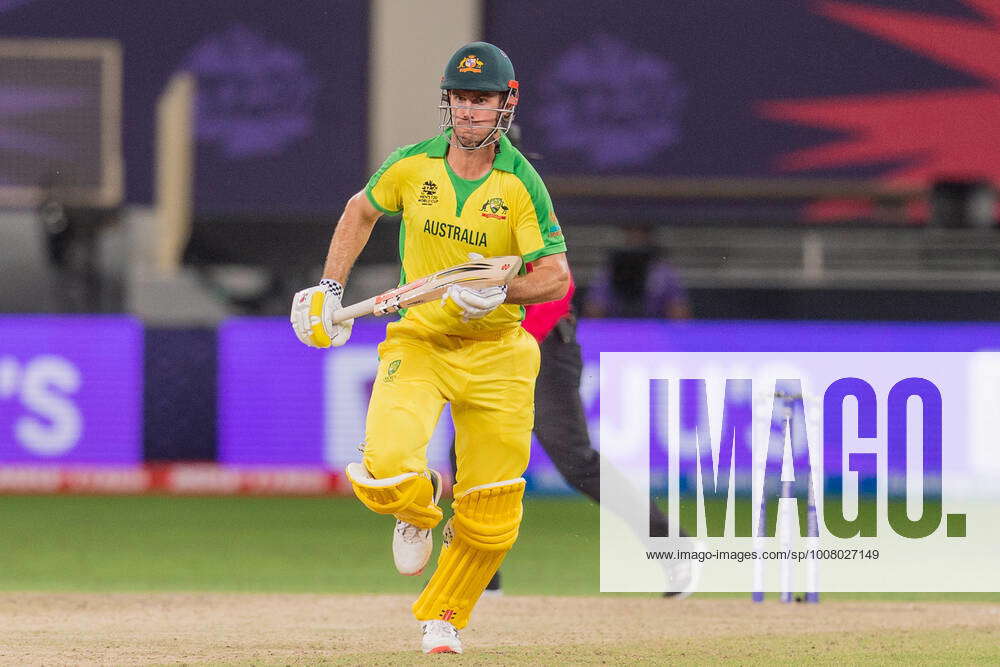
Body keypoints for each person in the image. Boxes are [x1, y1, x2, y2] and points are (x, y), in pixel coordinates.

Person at [290, 42, 569, 655]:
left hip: (499, 350)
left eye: (483, 100)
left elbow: (556, 277)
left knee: (493, 515)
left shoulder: (521, 184)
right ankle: (416, 510)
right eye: (461, 99)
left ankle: (444, 616)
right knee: (385, 465)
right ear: (448, 103)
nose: (470, 112)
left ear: (506, 104)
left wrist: (502, 291)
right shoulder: (414, 166)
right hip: (421, 339)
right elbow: (359, 210)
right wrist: (330, 288)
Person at [452, 267, 701, 598]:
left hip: (542, 347)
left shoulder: (527, 216)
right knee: (469, 458)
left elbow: (558, 283)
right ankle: (478, 576)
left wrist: (513, 341)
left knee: (576, 461)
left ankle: (675, 547)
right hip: (492, 350)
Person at [583, 224, 690, 319]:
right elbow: (593, 310)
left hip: (654, 330)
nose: (636, 237)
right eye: (631, 231)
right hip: (617, 330)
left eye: (641, 232)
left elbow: (679, 312)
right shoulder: (608, 271)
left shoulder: (664, 272)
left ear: (649, 236)